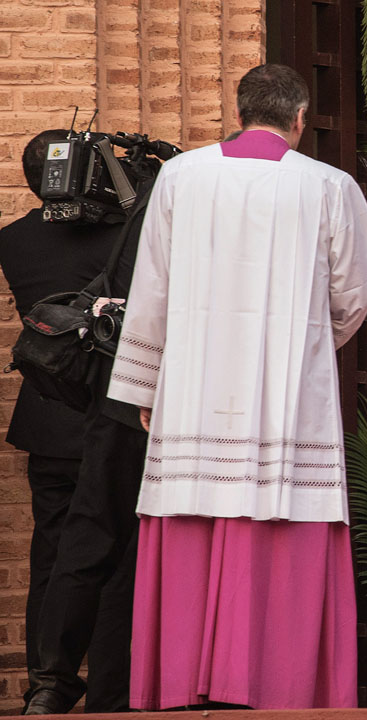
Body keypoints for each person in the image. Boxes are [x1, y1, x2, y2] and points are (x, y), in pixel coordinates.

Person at [104, 63, 367, 710]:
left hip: (195, 390)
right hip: (286, 399)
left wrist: (149, 384)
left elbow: (150, 288)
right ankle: (280, 685)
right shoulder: (329, 185)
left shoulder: (181, 177)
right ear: (299, 119)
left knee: (196, 511)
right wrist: (314, 338)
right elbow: (359, 283)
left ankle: (183, 683)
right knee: (283, 518)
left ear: (238, 114)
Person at [0, 130, 136, 714]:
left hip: (45, 421)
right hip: (109, 418)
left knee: (51, 557)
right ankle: (110, 694)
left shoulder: (13, 240)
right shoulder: (124, 236)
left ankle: (46, 688)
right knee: (110, 559)